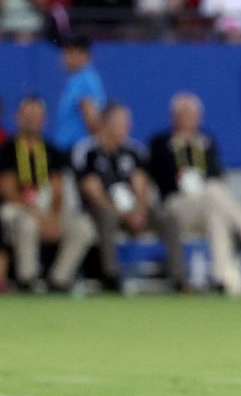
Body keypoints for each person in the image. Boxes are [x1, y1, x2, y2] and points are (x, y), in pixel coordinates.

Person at [148, 92, 241, 295]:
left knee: (216, 214)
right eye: (183, 114)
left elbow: (217, 174)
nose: (188, 119)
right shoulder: (161, 142)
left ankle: (222, 279)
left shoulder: (206, 141)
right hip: (178, 205)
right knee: (214, 191)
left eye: (192, 114)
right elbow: (159, 177)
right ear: (173, 116)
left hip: (206, 204)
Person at [0, 97, 95, 292]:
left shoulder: (52, 151)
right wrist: (37, 216)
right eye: (27, 116)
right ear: (17, 117)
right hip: (16, 207)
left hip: (46, 209)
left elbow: (57, 188)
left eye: (36, 116)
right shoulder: (7, 150)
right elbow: (8, 190)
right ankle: (28, 278)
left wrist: (53, 217)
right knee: (27, 223)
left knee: (83, 228)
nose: (32, 120)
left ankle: (59, 279)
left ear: (44, 119)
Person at [71, 102, 157, 293]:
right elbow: (93, 191)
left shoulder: (134, 150)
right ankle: (110, 274)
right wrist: (122, 212)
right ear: (105, 123)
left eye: (127, 122)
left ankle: (178, 275)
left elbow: (141, 185)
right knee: (106, 216)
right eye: (121, 123)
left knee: (165, 216)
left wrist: (139, 211)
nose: (127, 127)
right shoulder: (88, 150)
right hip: (103, 209)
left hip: (132, 210)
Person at [53, 36, 107, 153]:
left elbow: (92, 121)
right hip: (69, 148)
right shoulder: (77, 80)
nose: (64, 57)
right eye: (65, 52)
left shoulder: (85, 80)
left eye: (70, 52)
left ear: (85, 55)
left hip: (74, 150)